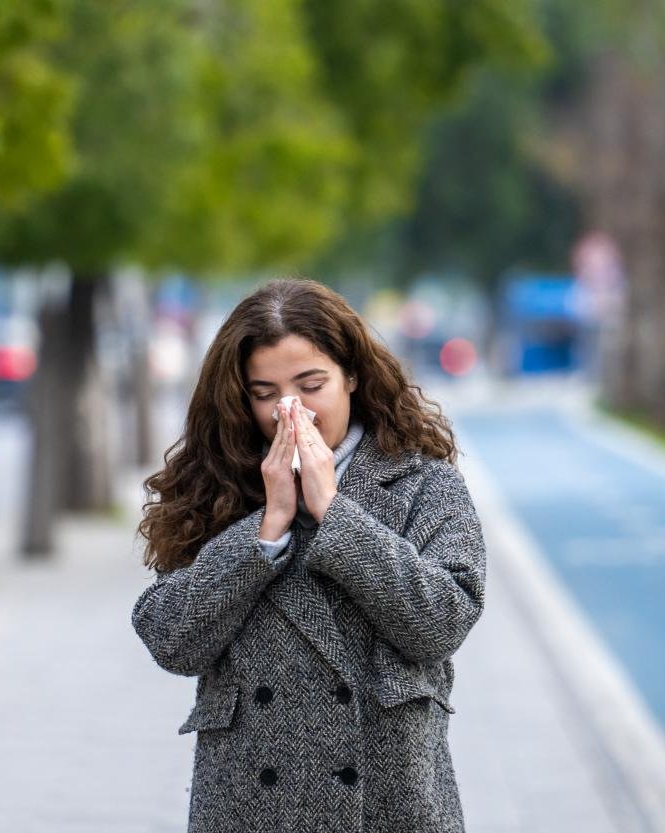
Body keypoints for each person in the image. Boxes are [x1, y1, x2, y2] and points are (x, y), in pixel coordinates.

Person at [132, 278, 487, 833]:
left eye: (310, 384)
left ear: (351, 376)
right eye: (265, 392)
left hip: (390, 804)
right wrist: (266, 529)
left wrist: (333, 514)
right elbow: (170, 640)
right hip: (251, 809)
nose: (289, 409)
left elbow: (442, 621)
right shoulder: (215, 492)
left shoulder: (425, 485)